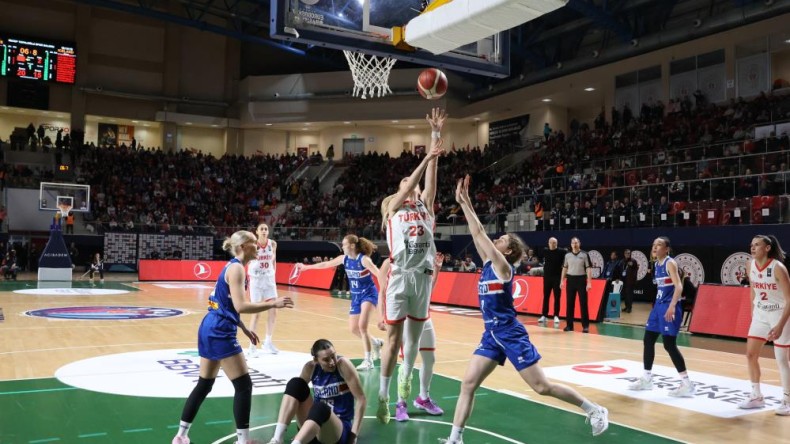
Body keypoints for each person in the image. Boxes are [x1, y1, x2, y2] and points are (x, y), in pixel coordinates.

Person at [438, 175, 608, 444]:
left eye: (503, 239)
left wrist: (466, 202)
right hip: (491, 335)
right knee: (468, 384)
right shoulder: (487, 264)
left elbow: (480, 233)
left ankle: (594, 409)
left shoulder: (504, 268)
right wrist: (464, 203)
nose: (498, 239)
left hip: (511, 334)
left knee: (542, 387)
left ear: (508, 251)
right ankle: (455, 438)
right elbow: (475, 233)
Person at [171, 230, 294, 444]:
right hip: (220, 331)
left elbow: (225, 305)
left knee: (204, 384)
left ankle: (181, 435)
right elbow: (241, 305)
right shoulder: (237, 269)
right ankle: (243, 440)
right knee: (244, 386)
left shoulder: (232, 267)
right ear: (244, 246)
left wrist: (244, 328)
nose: (259, 246)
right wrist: (272, 303)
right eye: (255, 243)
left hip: (210, 326)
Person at [377, 107, 446, 424]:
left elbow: (430, 179)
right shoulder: (392, 208)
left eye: (413, 183)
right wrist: (425, 158)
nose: (411, 185)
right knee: (393, 343)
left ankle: (403, 400)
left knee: (413, 347)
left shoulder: (426, 206)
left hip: (423, 279)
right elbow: (410, 183)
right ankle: (383, 396)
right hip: (400, 277)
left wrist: (434, 140)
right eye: (406, 183)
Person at [295, 234, 384, 371]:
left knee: (362, 326)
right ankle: (375, 342)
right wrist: (306, 268)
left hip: (368, 294)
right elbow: (326, 264)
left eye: (344, 244)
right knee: (354, 328)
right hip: (355, 297)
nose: (342, 246)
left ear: (352, 246)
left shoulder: (364, 260)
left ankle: (368, 360)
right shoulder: (344, 259)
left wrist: (387, 289)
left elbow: (379, 273)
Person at [377, 251, 445, 421]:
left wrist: (436, 269)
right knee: (408, 362)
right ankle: (401, 403)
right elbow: (383, 292)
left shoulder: (424, 259)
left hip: (424, 316)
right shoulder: (389, 263)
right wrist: (381, 316)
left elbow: (429, 290)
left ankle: (423, 398)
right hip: (405, 318)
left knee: (430, 360)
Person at [627, 237, 696, 397]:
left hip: (668, 307)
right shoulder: (656, 264)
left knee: (669, 345)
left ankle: (687, 384)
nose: (655, 247)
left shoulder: (669, 262)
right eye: (653, 245)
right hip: (658, 307)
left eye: (659, 245)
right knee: (648, 340)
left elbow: (679, 286)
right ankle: (646, 379)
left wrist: (672, 306)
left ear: (667, 249)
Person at [265, 339, 365, 444]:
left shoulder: (343, 365)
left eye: (333, 356)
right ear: (316, 360)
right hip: (314, 425)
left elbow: (361, 399)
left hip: (337, 431)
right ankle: (277, 439)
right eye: (326, 360)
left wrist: (353, 436)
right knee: (296, 383)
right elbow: (295, 395)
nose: (332, 362)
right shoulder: (310, 368)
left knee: (320, 407)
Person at [738, 235, 790, 415]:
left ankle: (787, 399)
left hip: (779, 314)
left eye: (757, 245)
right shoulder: (749, 264)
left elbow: (789, 299)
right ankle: (757, 396)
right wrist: (753, 311)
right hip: (761, 314)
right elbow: (753, 289)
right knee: (751, 354)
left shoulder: (778, 268)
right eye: (751, 245)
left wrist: (781, 325)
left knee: (782, 359)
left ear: (767, 248)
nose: (752, 248)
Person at [246, 223, 280, 356]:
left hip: (269, 281)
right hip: (256, 281)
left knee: (273, 311)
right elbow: (246, 261)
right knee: (256, 314)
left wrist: (273, 274)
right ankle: (252, 345)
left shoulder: (273, 244)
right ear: (257, 232)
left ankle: (268, 342)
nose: (265, 231)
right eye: (262, 229)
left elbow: (274, 260)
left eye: (266, 229)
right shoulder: (252, 245)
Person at [560, 237, 593, 332]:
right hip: (570, 280)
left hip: (581, 280)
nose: (575, 244)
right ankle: (569, 326)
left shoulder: (585, 254)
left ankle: (585, 326)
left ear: (579, 243)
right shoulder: (567, 255)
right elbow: (564, 268)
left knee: (583, 303)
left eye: (576, 243)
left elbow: (588, 268)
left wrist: (589, 282)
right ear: (571, 244)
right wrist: (562, 281)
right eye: (573, 243)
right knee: (569, 303)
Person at [539, 237, 566, 327]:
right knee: (546, 296)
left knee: (557, 297)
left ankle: (556, 315)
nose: (553, 244)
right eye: (551, 242)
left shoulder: (562, 251)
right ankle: (544, 315)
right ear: (549, 243)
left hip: (557, 278)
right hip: (547, 277)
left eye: (555, 243)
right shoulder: (545, 251)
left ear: (557, 243)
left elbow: (566, 261)